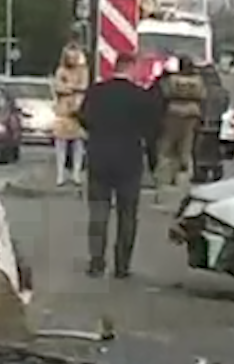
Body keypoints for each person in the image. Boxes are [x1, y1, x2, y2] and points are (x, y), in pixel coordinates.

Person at [76, 52, 163, 278]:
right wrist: (152, 161)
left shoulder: (96, 92)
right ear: (131, 67)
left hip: (99, 157)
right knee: (127, 215)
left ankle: (96, 262)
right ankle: (122, 266)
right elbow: (152, 129)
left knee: (98, 212)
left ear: (115, 67)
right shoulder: (141, 97)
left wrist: (98, 133)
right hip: (129, 160)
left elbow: (83, 117)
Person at [153, 55, 206, 193]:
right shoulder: (198, 81)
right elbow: (202, 95)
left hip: (173, 112)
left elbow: (166, 93)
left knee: (167, 146)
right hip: (191, 114)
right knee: (186, 146)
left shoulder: (172, 80)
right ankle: (182, 176)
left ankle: (164, 177)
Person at [51, 45, 90, 186]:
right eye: (69, 57)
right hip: (63, 112)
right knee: (60, 143)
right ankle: (60, 175)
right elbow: (58, 87)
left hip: (78, 112)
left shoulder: (83, 71)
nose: (72, 60)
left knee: (78, 144)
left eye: (74, 57)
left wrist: (68, 86)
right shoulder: (60, 71)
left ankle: (76, 175)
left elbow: (84, 86)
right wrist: (73, 87)